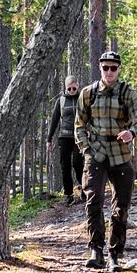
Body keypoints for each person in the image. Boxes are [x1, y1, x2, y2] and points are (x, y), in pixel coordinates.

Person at [74, 50, 137, 272]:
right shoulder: (88, 93)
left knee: (121, 206)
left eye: (113, 68)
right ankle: (96, 249)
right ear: (99, 68)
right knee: (93, 200)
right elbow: (79, 126)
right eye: (106, 68)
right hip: (95, 153)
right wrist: (86, 149)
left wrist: (131, 133)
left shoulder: (128, 93)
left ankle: (115, 253)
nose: (109, 72)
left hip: (121, 154)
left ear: (119, 69)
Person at [46, 75, 84, 205]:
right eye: (69, 88)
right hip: (64, 137)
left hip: (79, 137)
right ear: (66, 88)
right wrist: (49, 139)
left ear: (78, 86)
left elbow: (89, 117)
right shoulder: (60, 101)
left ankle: (84, 188)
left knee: (78, 164)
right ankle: (69, 194)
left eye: (74, 88)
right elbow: (54, 120)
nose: (72, 90)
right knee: (65, 165)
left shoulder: (82, 99)